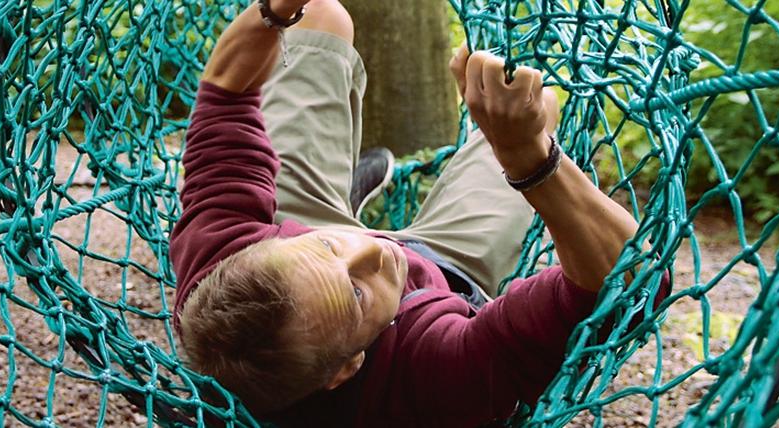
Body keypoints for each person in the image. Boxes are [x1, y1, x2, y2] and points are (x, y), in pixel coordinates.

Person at [169, 0, 668, 426]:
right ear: (347, 368)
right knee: (540, 104)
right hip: (450, 274)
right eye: (357, 294)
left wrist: (273, 11)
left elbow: (225, 93)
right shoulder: (435, 372)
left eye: (329, 249)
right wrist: (530, 158)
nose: (376, 252)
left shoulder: (221, 262)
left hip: (300, 231)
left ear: (261, 247)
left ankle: (336, 227)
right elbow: (632, 285)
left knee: (319, 15)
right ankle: (341, 221)